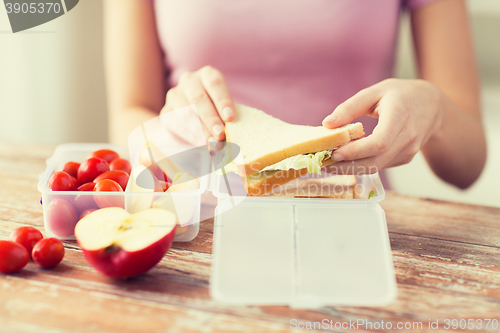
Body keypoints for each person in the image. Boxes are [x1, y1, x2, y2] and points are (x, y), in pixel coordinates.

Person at [104, 0, 486, 189]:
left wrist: (433, 108)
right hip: (204, 223)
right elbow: (129, 112)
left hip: (356, 223)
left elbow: (469, 165)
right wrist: (164, 131)